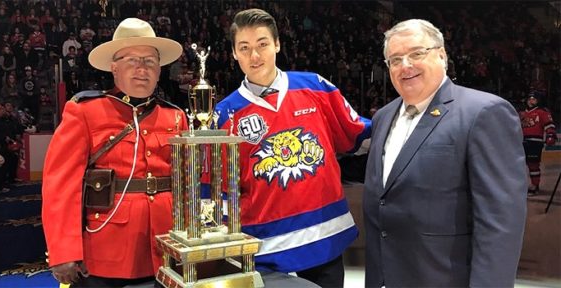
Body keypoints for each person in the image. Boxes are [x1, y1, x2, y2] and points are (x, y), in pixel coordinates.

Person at [363, 19, 527, 287]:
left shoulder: (484, 113)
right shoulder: (383, 117)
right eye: (395, 59)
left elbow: (501, 222)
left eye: (417, 53)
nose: (405, 66)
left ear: (442, 55)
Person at [214, 8, 371, 288]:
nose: (255, 56)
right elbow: (219, 185)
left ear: (277, 44)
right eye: (244, 48)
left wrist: (400, 121)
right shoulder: (225, 114)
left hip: (324, 234)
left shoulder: (316, 87)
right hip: (263, 245)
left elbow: (355, 131)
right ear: (234, 53)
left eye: (262, 44)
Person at [41, 18, 187, 287]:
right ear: (114, 67)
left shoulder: (175, 116)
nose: (142, 69)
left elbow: (185, 184)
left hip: (166, 245)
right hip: (107, 248)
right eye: (132, 60)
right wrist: (63, 250)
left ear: (159, 70)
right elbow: (60, 185)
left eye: (150, 61)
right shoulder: (85, 111)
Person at [519, 94, 557, 195]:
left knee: (533, 165)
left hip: (535, 142)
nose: (531, 101)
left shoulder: (542, 112)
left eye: (534, 99)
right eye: (529, 99)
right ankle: (520, 185)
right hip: (521, 141)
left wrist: (551, 135)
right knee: (519, 164)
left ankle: (535, 185)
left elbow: (549, 124)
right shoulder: (522, 113)